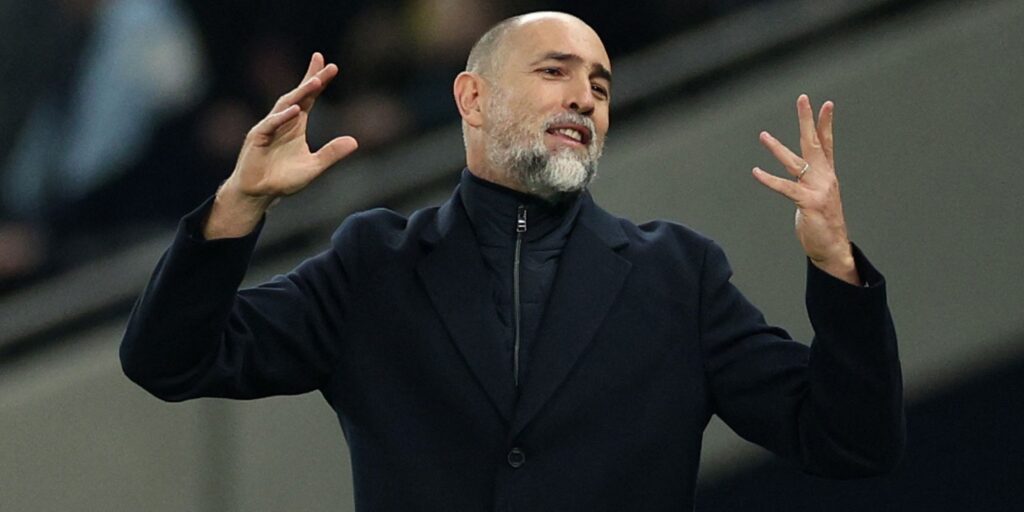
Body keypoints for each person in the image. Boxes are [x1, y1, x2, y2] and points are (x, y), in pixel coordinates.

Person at [120, 12, 904, 511]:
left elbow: (850, 441)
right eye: (554, 71)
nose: (585, 97)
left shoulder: (678, 275)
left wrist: (836, 265)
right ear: (472, 98)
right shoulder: (374, 265)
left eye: (600, 85)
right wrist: (240, 204)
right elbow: (168, 360)